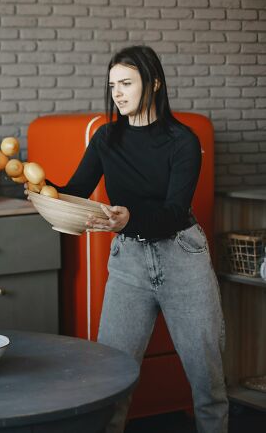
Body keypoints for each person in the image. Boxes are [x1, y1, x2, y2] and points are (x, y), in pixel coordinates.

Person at [27, 46, 227, 433]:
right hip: (129, 263)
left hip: (182, 258)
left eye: (126, 83)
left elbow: (173, 212)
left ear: (154, 83)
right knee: (111, 381)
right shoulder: (106, 138)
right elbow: (75, 191)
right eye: (112, 85)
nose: (117, 93)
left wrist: (130, 217)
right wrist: (38, 188)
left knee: (209, 385)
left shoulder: (183, 141)